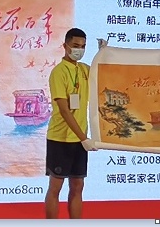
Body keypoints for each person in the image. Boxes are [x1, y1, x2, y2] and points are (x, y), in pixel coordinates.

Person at [44, 28, 96, 219]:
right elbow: (65, 110)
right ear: (65, 46)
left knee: (78, 185)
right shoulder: (58, 72)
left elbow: (106, 74)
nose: (79, 50)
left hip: (80, 139)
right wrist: (84, 138)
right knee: (55, 187)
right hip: (61, 138)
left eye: (83, 46)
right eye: (75, 46)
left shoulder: (84, 70)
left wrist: (104, 53)